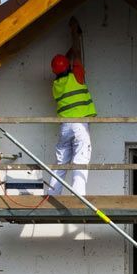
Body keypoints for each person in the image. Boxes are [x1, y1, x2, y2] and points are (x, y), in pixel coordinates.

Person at [48, 16, 96, 197]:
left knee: (61, 163)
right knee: (81, 157)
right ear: (68, 67)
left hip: (64, 127)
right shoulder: (76, 75)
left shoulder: (56, 85)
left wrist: (73, 40)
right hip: (79, 125)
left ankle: (52, 194)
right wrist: (74, 32)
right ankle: (78, 195)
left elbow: (68, 60)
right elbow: (76, 53)